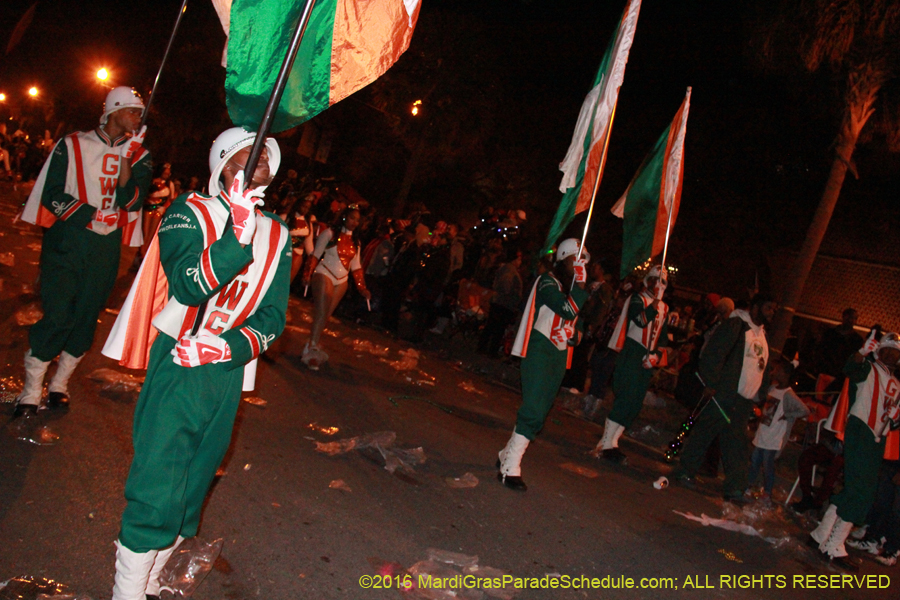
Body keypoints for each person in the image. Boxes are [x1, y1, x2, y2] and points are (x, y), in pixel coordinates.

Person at [105, 126, 291, 600]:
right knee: (157, 481)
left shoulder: (278, 233)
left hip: (225, 372)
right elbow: (188, 285)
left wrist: (227, 347)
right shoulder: (187, 211)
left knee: (191, 487)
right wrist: (235, 237)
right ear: (221, 163)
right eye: (245, 155)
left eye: (263, 155)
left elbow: (273, 318)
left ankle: (147, 582)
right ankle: (125, 592)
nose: (257, 163)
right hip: (178, 362)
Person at [13, 86, 151, 418]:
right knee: (59, 313)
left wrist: (127, 160)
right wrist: (88, 214)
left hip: (105, 248)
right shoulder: (72, 144)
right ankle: (31, 391)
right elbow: (51, 193)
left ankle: (59, 385)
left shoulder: (140, 155)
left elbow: (132, 200)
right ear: (114, 111)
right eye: (133, 111)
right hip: (68, 239)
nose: (138, 118)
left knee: (86, 317)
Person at [496, 239, 589, 491]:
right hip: (539, 349)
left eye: (583, 262)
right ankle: (510, 466)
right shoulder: (547, 281)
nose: (580, 265)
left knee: (541, 408)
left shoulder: (572, 290)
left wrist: (575, 336)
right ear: (563, 259)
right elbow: (565, 309)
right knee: (534, 407)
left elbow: (578, 325)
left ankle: (507, 453)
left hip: (559, 355)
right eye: (575, 260)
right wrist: (580, 286)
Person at [809, 330, 900, 571]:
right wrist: (862, 352)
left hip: (877, 439)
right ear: (880, 350)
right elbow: (850, 368)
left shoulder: (896, 383)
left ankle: (821, 534)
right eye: (889, 349)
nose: (893, 354)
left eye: (897, 351)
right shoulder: (868, 369)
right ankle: (834, 545)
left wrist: (895, 417)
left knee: (855, 488)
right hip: (861, 432)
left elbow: (894, 418)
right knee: (861, 492)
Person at [673, 294, 776, 503]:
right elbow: (714, 354)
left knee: (737, 445)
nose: (771, 313)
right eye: (768, 308)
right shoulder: (736, 327)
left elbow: (763, 367)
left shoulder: (762, 336)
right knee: (704, 433)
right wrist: (711, 383)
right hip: (724, 394)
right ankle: (685, 470)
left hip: (743, 401)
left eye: (773, 309)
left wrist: (760, 394)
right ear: (755, 308)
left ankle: (734, 488)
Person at [592, 265, 670, 463]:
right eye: (655, 280)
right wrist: (653, 306)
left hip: (647, 357)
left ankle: (614, 442)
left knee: (635, 402)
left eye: (663, 282)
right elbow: (640, 320)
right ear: (647, 281)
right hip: (632, 352)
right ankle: (606, 442)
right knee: (625, 396)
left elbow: (662, 337)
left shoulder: (664, 308)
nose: (658, 285)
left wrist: (655, 356)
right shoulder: (638, 299)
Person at [301, 205, 371, 369]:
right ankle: (311, 348)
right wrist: (307, 275)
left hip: (342, 280)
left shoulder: (356, 242)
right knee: (322, 310)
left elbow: (356, 266)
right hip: (324, 272)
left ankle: (311, 345)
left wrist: (362, 288)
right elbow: (315, 255)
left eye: (358, 220)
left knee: (325, 315)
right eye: (352, 218)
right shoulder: (329, 233)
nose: (355, 222)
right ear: (345, 217)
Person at [746, 359, 809, 502]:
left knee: (768, 465)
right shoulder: (772, 389)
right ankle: (749, 485)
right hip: (764, 432)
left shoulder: (788, 394)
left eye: (778, 371)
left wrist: (788, 415)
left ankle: (767, 492)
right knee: (755, 460)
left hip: (774, 437)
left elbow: (805, 410)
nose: (774, 373)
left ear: (785, 374)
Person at [478, 248, 523, 357]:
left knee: (492, 326)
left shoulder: (507, 269)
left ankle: (483, 347)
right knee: (497, 329)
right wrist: (511, 294)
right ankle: (491, 350)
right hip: (503, 304)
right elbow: (505, 285)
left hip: (500, 302)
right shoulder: (510, 271)